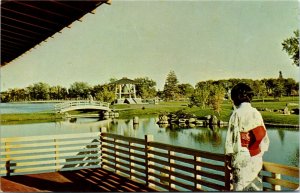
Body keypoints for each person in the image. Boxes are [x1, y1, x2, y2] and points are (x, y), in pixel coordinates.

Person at [225, 83, 270, 191]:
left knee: (240, 187)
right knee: (255, 187)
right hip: (256, 157)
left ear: (237, 97)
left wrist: (228, 158)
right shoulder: (256, 113)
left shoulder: (236, 114)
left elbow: (230, 140)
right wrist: (259, 151)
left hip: (241, 158)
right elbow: (263, 137)